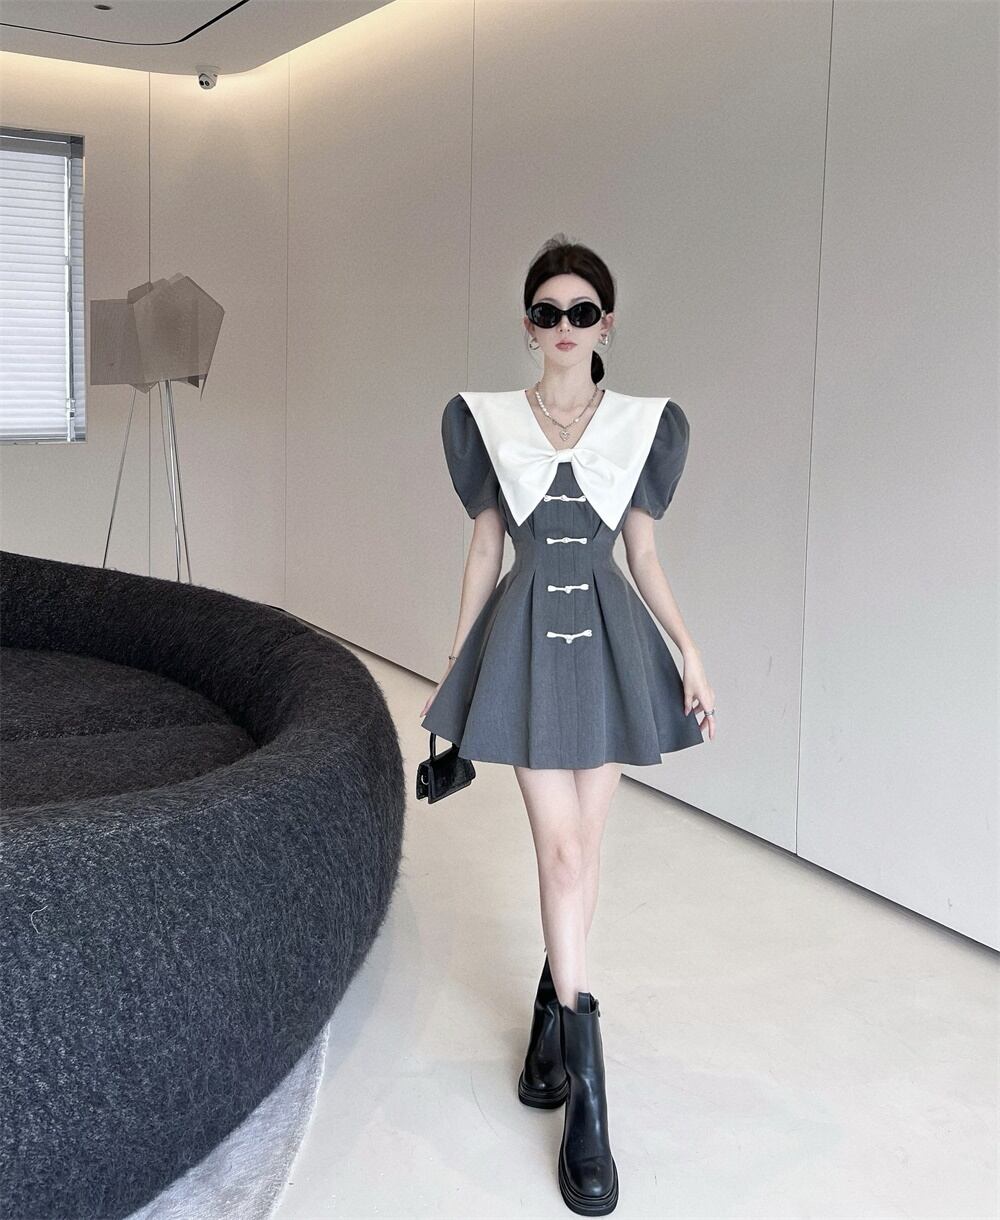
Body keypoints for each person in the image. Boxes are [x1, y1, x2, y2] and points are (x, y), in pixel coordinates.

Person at [419, 234, 716, 1216]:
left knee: (584, 848)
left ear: (605, 324)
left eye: (581, 311)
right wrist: (455, 663)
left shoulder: (637, 426)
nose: (563, 326)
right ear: (527, 325)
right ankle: (589, 1093)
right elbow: (483, 549)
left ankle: (551, 1019)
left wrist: (689, 649)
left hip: (610, 642)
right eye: (547, 312)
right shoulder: (493, 422)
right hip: (522, 642)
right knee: (559, 852)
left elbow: (643, 554)